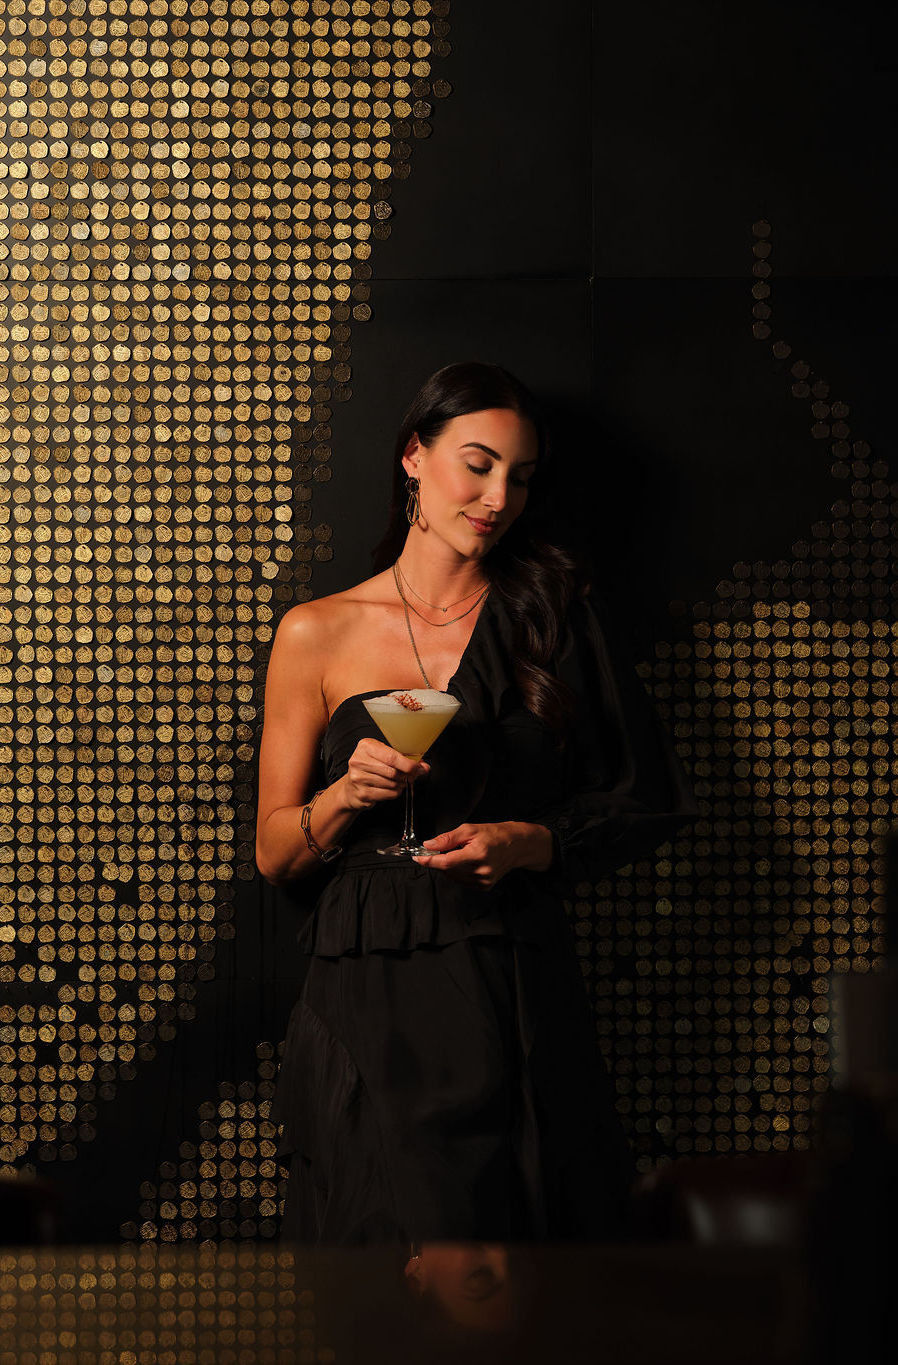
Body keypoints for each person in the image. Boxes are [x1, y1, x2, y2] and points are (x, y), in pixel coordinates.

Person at [256, 361, 697, 1245]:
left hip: (511, 976)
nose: (499, 497)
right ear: (414, 457)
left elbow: (644, 797)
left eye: (521, 477)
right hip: (368, 982)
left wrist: (531, 842)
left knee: (525, 1243)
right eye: (479, 463)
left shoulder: (556, 617)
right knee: (381, 1248)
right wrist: (347, 795)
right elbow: (275, 852)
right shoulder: (316, 629)